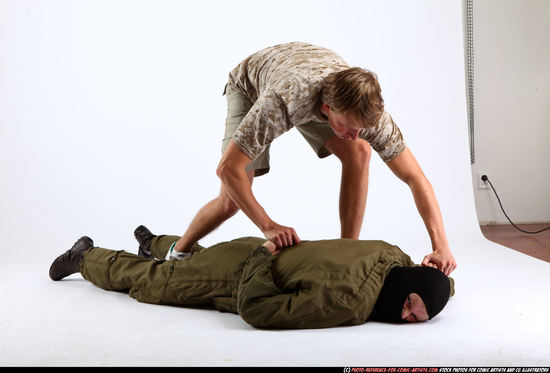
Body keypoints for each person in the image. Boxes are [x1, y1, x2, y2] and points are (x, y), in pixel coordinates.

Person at [169, 41, 457, 276]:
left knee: (359, 151)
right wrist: (268, 226)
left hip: (309, 73)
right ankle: (178, 252)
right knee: (230, 200)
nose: (356, 134)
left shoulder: (373, 118)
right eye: (349, 126)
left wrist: (441, 245)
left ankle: (347, 249)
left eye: (362, 128)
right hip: (252, 85)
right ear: (327, 107)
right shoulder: (284, 100)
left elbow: (415, 178)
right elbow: (227, 169)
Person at [48, 225, 455, 329]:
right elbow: (256, 309)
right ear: (406, 286)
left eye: (414, 319)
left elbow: (439, 286)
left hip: (251, 249)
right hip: (244, 269)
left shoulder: (392, 255)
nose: (403, 318)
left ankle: (157, 241)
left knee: (195, 257)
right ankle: (87, 257)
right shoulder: (349, 302)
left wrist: (442, 279)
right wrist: (262, 257)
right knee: (152, 281)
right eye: (407, 305)